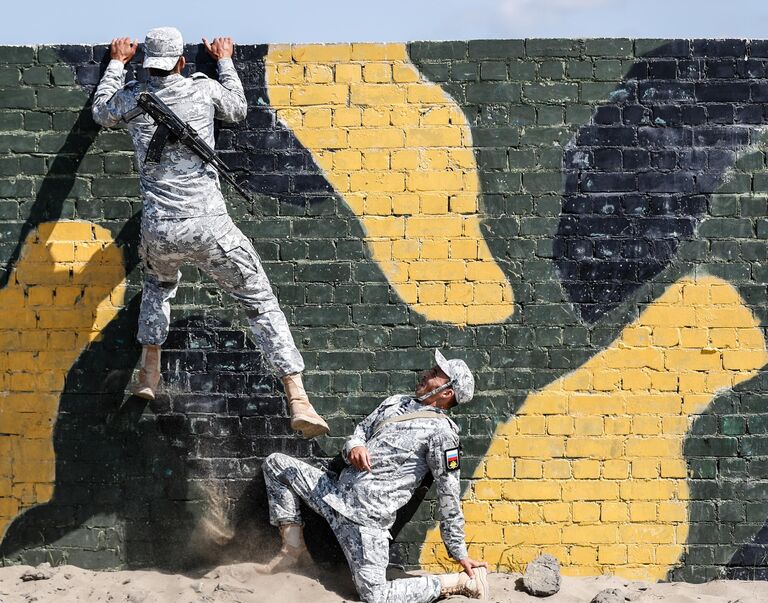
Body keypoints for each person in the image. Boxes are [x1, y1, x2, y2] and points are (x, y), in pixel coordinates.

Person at [91, 27, 328, 438]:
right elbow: (237, 109)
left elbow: (100, 112)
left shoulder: (130, 98)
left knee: (157, 285)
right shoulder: (201, 91)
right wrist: (224, 61)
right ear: (182, 62)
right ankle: (297, 396)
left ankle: (149, 370)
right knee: (259, 302)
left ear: (148, 64)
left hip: (159, 227)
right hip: (209, 226)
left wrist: (115, 64)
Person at [260, 350, 489, 602]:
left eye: (435, 374)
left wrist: (458, 553)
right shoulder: (395, 402)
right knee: (277, 465)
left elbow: (449, 496)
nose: (426, 374)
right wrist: (354, 447)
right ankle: (294, 550)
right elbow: (360, 431)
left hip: (365, 521)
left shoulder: (443, 435)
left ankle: (460, 582)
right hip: (333, 494)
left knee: (376, 596)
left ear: (447, 392)